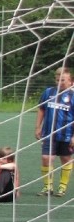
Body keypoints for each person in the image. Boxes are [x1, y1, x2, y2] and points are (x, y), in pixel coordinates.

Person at [35, 68, 73, 197]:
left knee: (66, 159)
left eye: (63, 80)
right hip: (49, 133)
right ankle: (48, 187)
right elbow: (41, 109)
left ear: (70, 81)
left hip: (66, 134)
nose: (60, 82)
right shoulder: (49, 92)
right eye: (57, 80)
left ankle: (62, 187)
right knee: (46, 158)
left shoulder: (73, 96)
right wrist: (38, 127)